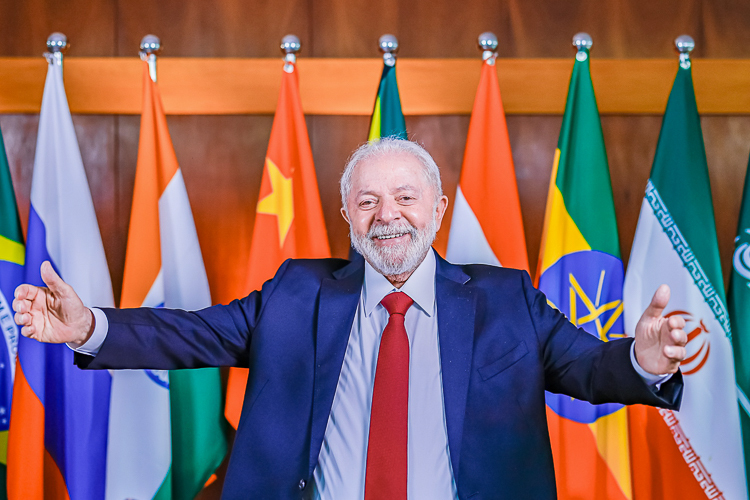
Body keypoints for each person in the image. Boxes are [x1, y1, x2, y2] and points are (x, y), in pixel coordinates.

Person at [13, 138, 686, 500]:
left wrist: (643, 359)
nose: (387, 215)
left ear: (438, 209)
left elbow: (588, 367)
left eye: (405, 197)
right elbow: (190, 332)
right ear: (348, 217)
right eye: (368, 201)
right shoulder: (296, 293)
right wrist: (87, 327)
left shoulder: (507, 298)